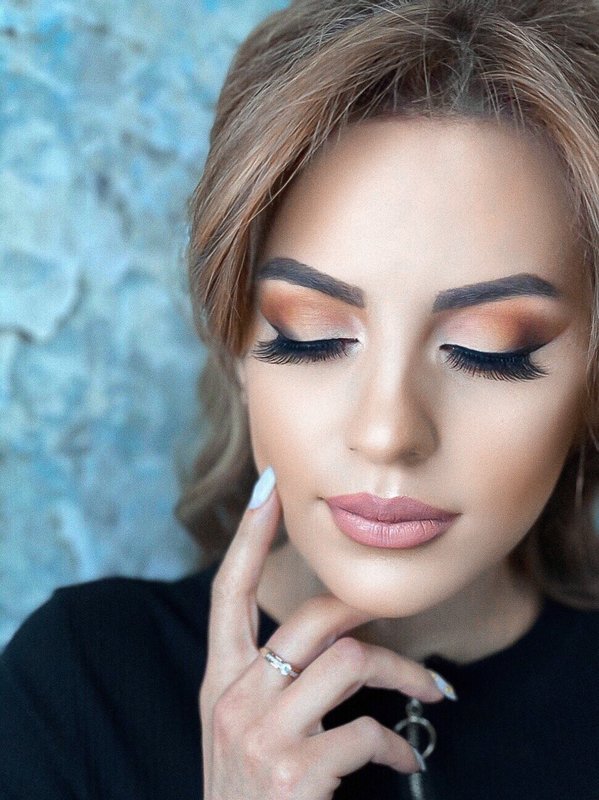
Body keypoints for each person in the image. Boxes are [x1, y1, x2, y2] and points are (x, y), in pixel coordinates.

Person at [2, 1, 599, 798]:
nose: (386, 431)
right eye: (311, 335)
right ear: (237, 348)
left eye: (489, 348)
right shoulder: (78, 687)